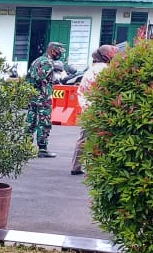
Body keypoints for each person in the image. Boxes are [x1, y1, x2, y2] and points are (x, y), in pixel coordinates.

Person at [70, 44, 116, 175]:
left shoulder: (91, 70)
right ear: (107, 56)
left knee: (84, 139)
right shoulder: (105, 70)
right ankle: (99, 168)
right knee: (102, 139)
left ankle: (76, 166)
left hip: (87, 109)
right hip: (99, 109)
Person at [25, 42, 63, 157]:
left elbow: (29, 78)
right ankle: (42, 149)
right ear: (52, 51)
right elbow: (40, 78)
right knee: (44, 123)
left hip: (32, 96)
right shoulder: (47, 63)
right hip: (43, 97)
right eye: (58, 52)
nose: (59, 54)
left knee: (31, 122)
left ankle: (24, 148)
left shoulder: (37, 60)